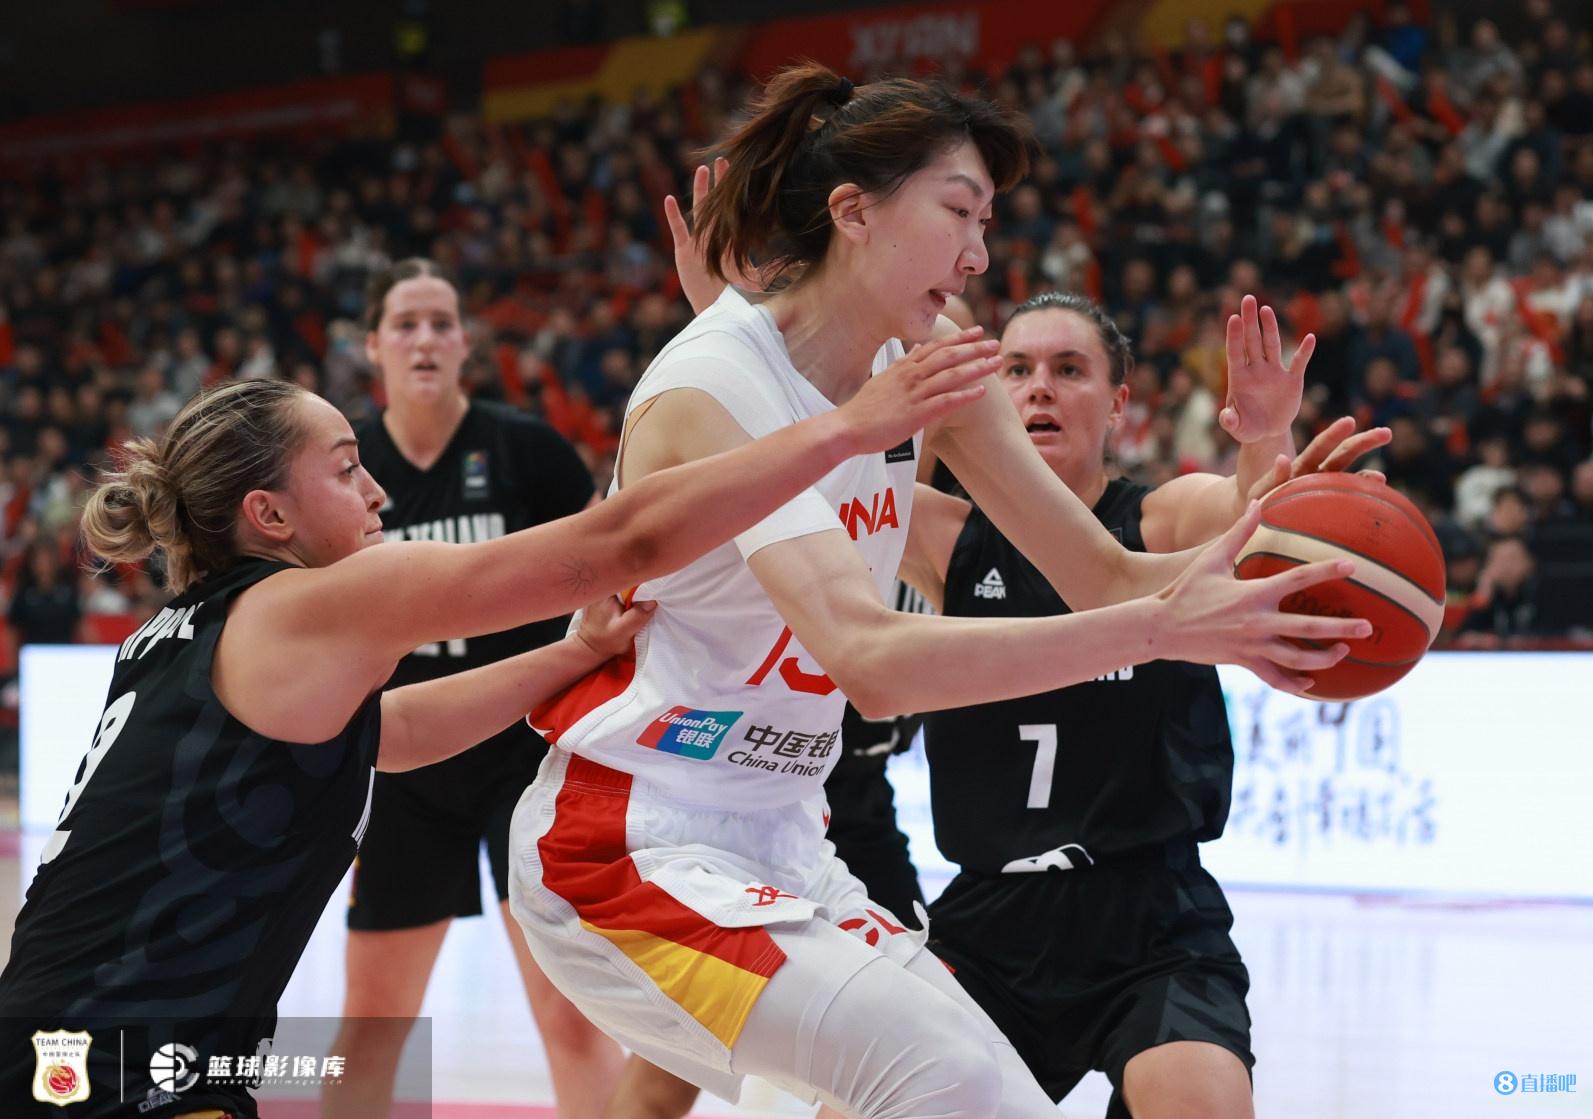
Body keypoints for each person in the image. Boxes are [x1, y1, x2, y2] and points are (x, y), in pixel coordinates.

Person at [507, 64, 1370, 1119]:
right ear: (853, 213)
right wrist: (1161, 624)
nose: (978, 253)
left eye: (986, 222)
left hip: (789, 837)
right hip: (632, 839)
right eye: (959, 213)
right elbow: (869, 661)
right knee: (939, 1083)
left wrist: (1262, 556)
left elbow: (1100, 575)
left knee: (993, 1098)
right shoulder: (718, 382)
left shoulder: (929, 361)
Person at [0, 336, 987, 1119]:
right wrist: (846, 430)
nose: (378, 491)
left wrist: (569, 655)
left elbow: (389, 733)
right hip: (113, 1068)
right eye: (346, 470)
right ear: (269, 514)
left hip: (74, 1045)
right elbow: (621, 541)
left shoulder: (187, 631)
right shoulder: (311, 605)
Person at [911, 293, 1385, 1119]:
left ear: (1118, 404)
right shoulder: (949, 541)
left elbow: (1250, 519)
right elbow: (843, 491)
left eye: (1069, 369)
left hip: (1151, 917)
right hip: (989, 920)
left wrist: (1265, 438)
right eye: (1016, 370)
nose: (1039, 387)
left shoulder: (1160, 520)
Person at [322, 259, 619, 1119]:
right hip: (401, 766)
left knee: (569, 1016)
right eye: (405, 323)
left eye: (441, 323)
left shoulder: (526, 449)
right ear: (372, 345)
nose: (425, 339)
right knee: (373, 1024)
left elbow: (606, 573)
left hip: (527, 762)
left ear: (466, 344)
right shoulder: (340, 469)